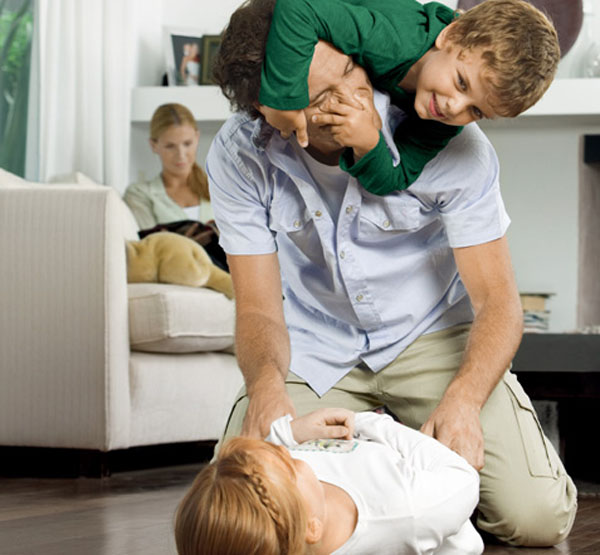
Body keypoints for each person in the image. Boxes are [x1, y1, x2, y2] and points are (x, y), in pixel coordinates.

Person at [208, 0, 577, 546]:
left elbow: (499, 304)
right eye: (320, 97)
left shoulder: (450, 143)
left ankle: (413, 473)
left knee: (536, 517)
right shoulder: (240, 153)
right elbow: (260, 307)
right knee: (242, 507)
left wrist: (463, 401)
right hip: (315, 349)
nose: (351, 96)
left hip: (431, 339)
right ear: (277, 110)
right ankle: (383, 463)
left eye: (350, 71)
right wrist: (265, 387)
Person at [259, 0, 560, 195]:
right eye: (461, 83)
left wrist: (368, 144)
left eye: (477, 111)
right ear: (449, 36)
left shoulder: (445, 121)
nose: (455, 107)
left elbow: (394, 179)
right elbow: (297, 8)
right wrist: (283, 102)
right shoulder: (390, 41)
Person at [175, 408, 484, 555]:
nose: (286, 453)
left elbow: (259, 473)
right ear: (312, 528)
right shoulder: (409, 511)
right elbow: (462, 477)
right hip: (408, 462)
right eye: (289, 465)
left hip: (351, 445)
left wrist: (290, 433)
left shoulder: (292, 509)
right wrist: (372, 423)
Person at [123, 103, 211, 230]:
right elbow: (150, 241)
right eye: (170, 146)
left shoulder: (219, 188)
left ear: (197, 138)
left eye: (187, 143)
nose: (181, 155)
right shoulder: (139, 194)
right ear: (154, 145)